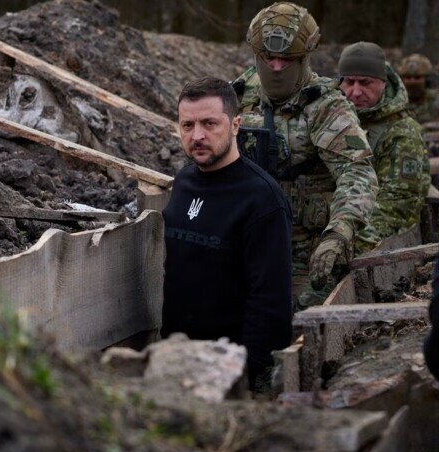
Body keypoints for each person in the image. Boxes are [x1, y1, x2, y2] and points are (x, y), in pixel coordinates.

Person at [233, 2, 378, 309]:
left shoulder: (326, 106)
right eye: (268, 58)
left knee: (291, 327)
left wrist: (339, 232)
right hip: (245, 241)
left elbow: (357, 172)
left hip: (305, 251)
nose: (275, 67)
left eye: (286, 59)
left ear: (304, 57)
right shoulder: (241, 94)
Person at [161, 76, 293, 392]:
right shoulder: (183, 183)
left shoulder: (261, 199)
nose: (197, 135)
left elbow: (270, 299)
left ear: (235, 125)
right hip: (176, 359)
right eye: (187, 125)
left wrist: (247, 374)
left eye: (209, 123)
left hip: (230, 369)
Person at [338, 42, 430, 254]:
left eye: (365, 83)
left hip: (368, 238)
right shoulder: (331, 120)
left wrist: (347, 244)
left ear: (383, 82)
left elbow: (398, 204)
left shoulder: (402, 132)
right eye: (349, 82)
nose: (356, 91)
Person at [396, 53, 439, 124]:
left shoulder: (435, 101)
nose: (412, 82)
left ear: (427, 80)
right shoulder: (395, 103)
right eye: (408, 77)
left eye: (417, 77)